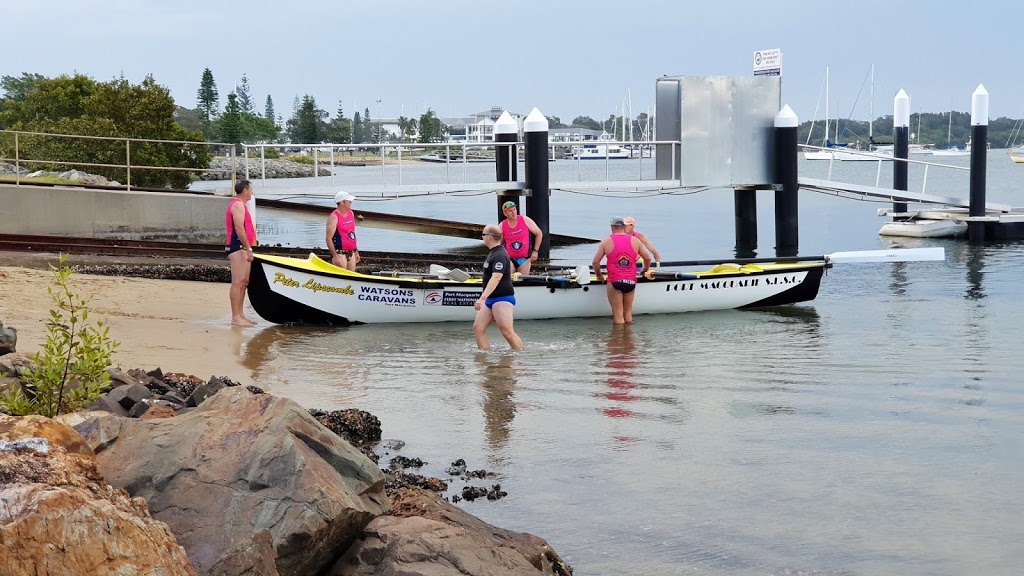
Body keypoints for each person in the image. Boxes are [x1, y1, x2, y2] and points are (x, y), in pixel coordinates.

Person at [592, 217, 654, 324]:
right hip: (631, 280)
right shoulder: (635, 241)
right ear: (624, 227)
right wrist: (644, 270)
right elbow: (647, 259)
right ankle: (629, 339)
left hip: (615, 280)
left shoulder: (606, 241)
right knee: (628, 312)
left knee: (618, 313)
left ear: (612, 227)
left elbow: (595, 262)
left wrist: (599, 275)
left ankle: (619, 339)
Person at [474, 224, 523, 350]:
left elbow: (496, 277)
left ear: (490, 237)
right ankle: (484, 358)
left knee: (507, 332)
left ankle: (521, 357)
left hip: (502, 298)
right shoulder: (492, 253)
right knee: (478, 328)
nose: (483, 237)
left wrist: (482, 298)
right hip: (491, 299)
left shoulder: (500, 254)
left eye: (483, 235)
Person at [226, 179, 257, 326]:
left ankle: (240, 314)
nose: (252, 192)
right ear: (244, 190)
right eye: (251, 190)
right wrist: (248, 248)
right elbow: (239, 228)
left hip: (244, 248)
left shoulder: (242, 205)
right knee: (237, 282)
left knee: (244, 282)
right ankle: (235, 317)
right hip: (238, 247)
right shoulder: (238, 205)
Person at [500, 200, 543, 275]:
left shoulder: (524, 219)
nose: (513, 212)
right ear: (505, 213)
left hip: (524, 259)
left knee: (523, 279)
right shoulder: (502, 225)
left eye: (514, 209)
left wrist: (535, 251)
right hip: (509, 259)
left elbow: (539, 233)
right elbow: (498, 243)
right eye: (510, 211)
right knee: (510, 279)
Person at [326, 191, 359, 271]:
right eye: (349, 200)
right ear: (342, 202)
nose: (351, 202)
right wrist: (335, 255)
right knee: (342, 276)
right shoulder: (334, 217)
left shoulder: (351, 213)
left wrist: (356, 250)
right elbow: (328, 238)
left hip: (351, 251)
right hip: (340, 252)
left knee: (352, 277)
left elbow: (352, 233)